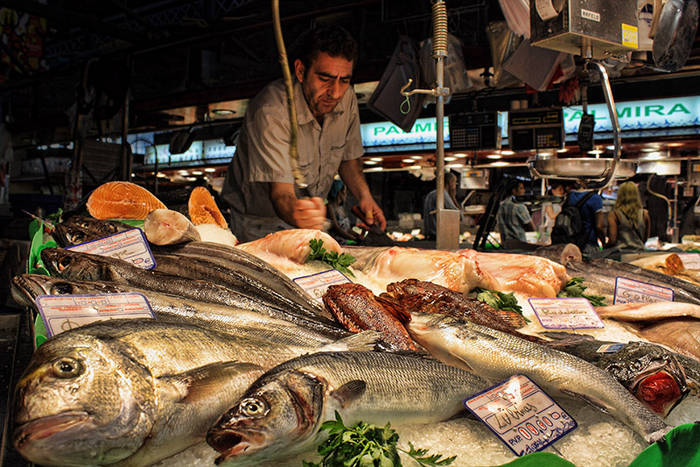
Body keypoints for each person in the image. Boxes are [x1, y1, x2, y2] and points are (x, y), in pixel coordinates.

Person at [221, 25, 386, 242]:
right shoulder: (271, 110)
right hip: (259, 224)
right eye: (325, 79)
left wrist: (365, 197)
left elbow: (348, 160)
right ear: (300, 71)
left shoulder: (347, 99)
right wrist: (298, 212)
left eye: (344, 80)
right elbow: (281, 195)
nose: (335, 92)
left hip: (310, 223)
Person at [607, 181, 650, 251]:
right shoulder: (645, 214)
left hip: (620, 253)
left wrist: (605, 247)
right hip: (640, 253)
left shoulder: (614, 214)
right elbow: (645, 239)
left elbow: (612, 239)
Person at [567, 179, 605, 253]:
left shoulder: (570, 196)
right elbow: (599, 226)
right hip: (588, 243)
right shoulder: (595, 198)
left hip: (571, 242)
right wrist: (604, 243)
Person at [497, 180, 536, 248]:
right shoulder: (519, 206)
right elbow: (531, 228)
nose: (524, 191)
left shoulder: (500, 205)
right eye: (521, 188)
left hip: (504, 246)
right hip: (519, 246)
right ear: (514, 191)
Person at [423, 172, 460, 240]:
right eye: (455, 182)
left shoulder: (432, 193)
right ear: (450, 182)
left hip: (430, 234)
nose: (456, 185)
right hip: (438, 236)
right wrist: (453, 197)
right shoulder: (442, 194)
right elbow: (458, 215)